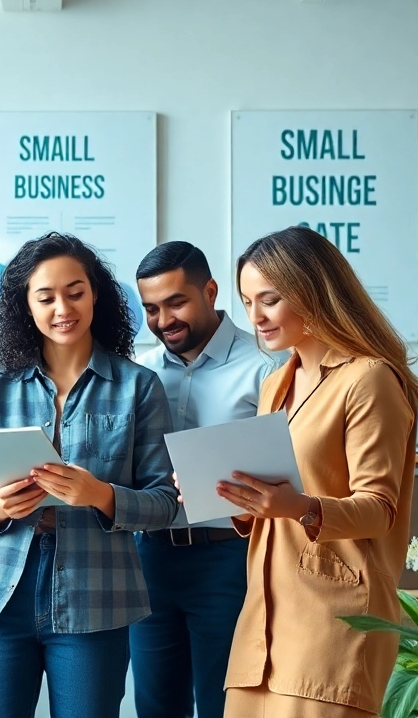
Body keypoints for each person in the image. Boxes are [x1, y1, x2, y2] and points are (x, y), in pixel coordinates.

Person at [0, 232, 179, 718]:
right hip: (0, 597)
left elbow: (165, 503)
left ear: (95, 293)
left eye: (75, 292)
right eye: (46, 297)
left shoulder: (138, 386)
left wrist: (100, 494)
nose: (63, 308)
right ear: (25, 306)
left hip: (97, 596)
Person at [215, 226, 418, 718]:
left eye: (270, 299)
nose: (256, 316)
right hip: (262, 623)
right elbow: (272, 503)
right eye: (247, 301)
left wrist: (298, 507)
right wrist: (229, 494)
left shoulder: (369, 378)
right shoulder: (274, 384)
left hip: (333, 620)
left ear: (314, 292)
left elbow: (380, 510)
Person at [131, 241, 283, 718]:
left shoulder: (265, 369)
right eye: (152, 309)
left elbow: (289, 474)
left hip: (227, 558)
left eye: (176, 302)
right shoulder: (140, 373)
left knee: (226, 705)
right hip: (151, 558)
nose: (164, 320)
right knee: (155, 705)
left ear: (211, 291)